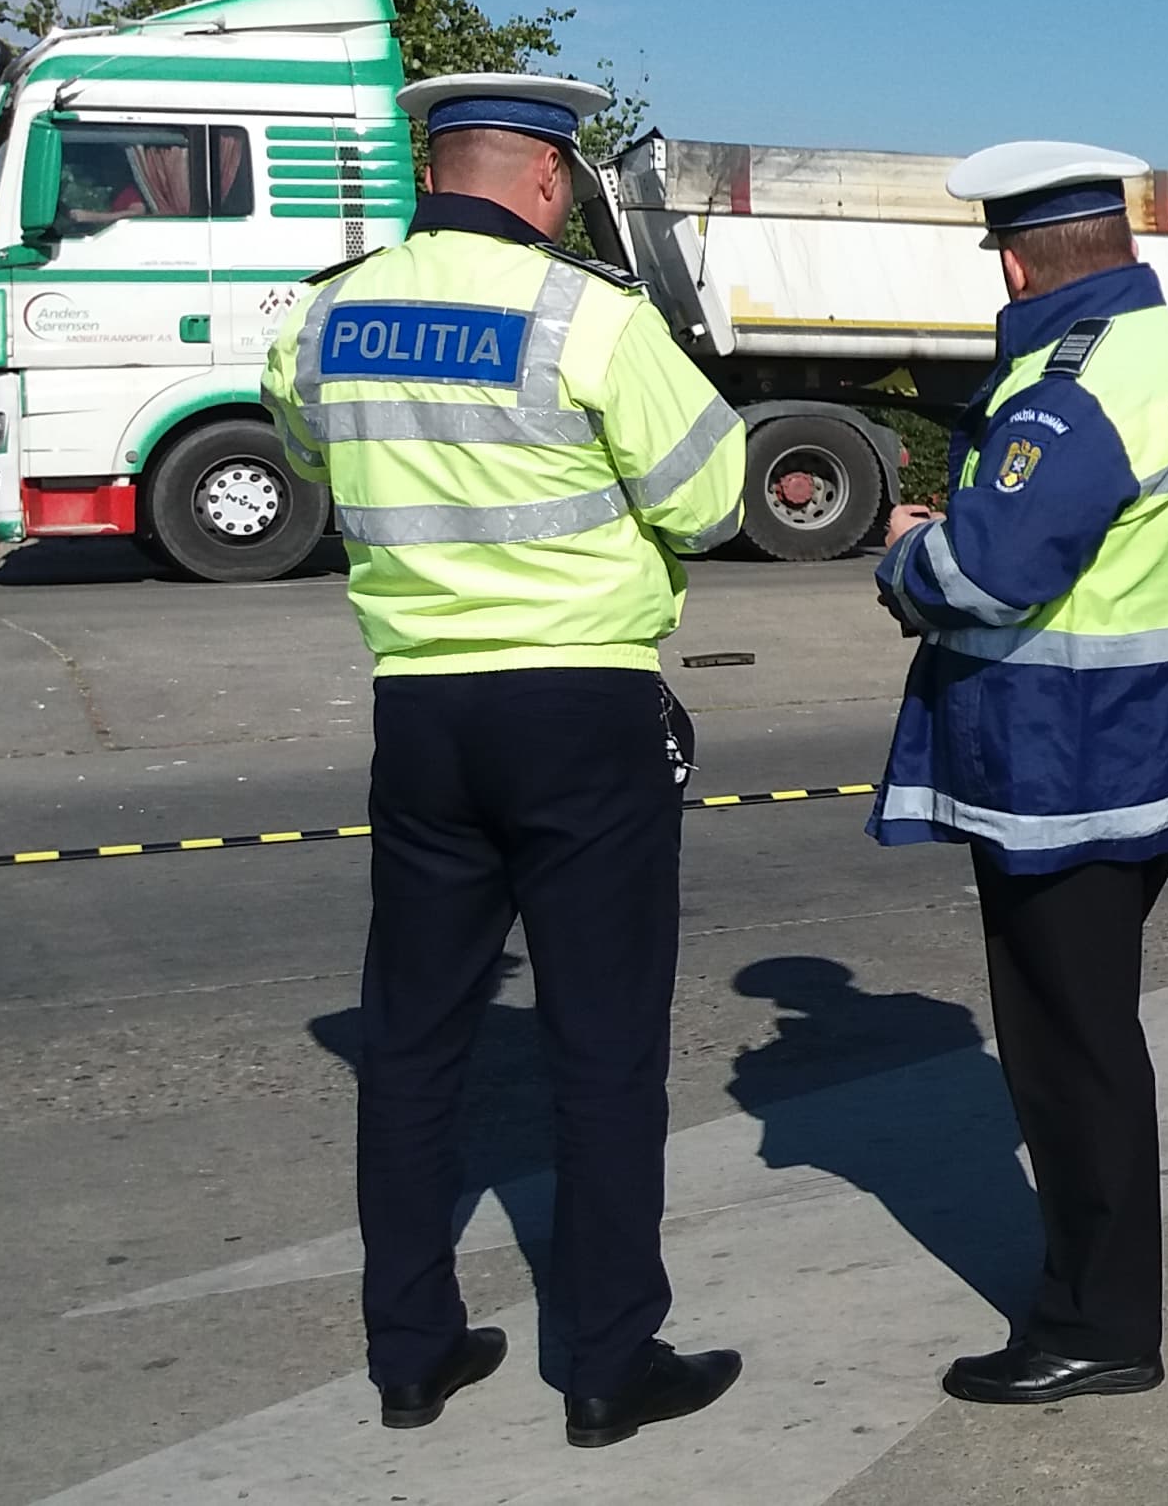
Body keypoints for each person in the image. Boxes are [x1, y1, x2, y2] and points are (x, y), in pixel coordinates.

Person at [260, 72, 749, 1450]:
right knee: (601, 1049)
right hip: (579, 709)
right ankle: (606, 1365)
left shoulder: (328, 310)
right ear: (542, 177)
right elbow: (709, 499)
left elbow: (304, 447)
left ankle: (410, 1355)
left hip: (419, 709)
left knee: (412, 1046)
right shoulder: (586, 314)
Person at [865, 139, 1168, 1406]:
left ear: (1019, 259)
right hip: (1151, 750)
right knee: (1094, 1037)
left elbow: (991, 571)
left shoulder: (1066, 388)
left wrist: (911, 557)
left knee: (1068, 1054)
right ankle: (1102, 1303)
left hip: (1061, 771)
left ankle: (1097, 1326)